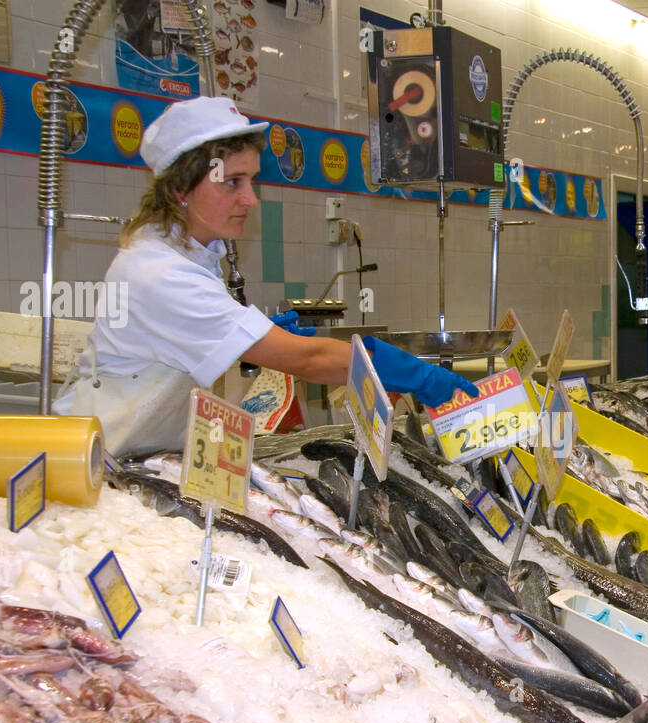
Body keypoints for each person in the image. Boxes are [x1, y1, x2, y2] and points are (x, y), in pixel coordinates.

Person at [54, 96, 476, 456]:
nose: (249, 199)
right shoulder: (161, 274)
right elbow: (308, 360)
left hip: (143, 450)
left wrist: (251, 339)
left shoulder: (184, 256)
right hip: (99, 462)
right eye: (232, 182)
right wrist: (423, 377)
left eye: (251, 180)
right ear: (181, 189)